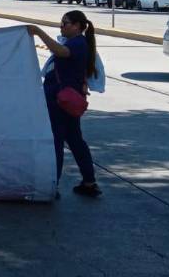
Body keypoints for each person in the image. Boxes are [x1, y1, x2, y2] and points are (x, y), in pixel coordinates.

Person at [28, 10, 101, 198]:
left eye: (65, 23)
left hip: (61, 100)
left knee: (57, 141)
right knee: (75, 141)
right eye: (61, 23)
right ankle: (89, 181)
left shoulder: (77, 43)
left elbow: (61, 52)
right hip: (67, 98)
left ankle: (54, 184)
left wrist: (38, 32)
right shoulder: (78, 42)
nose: (62, 27)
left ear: (77, 26)